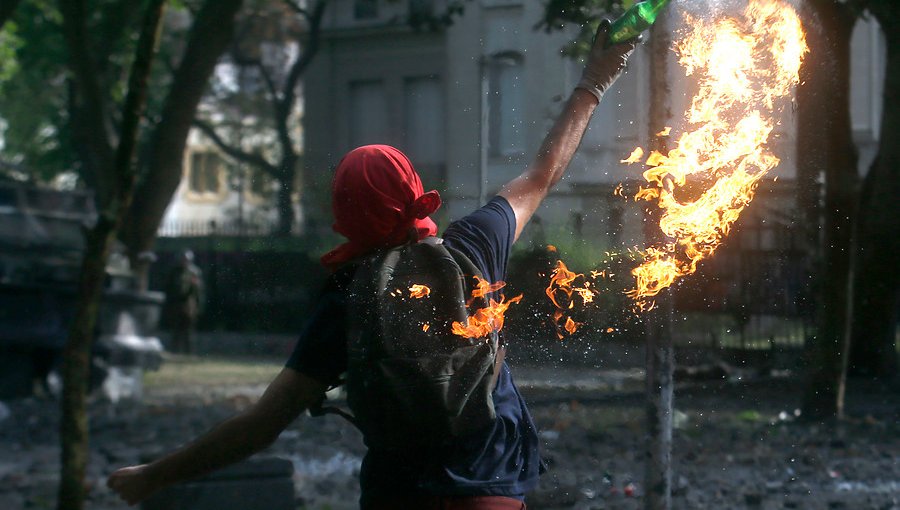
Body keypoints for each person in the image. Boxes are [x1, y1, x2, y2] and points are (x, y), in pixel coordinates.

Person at [108, 22, 636, 509]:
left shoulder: (346, 300)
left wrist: (154, 475)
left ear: (345, 219)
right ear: (413, 193)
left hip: (400, 493)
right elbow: (544, 171)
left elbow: (263, 424)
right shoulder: (474, 246)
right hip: (489, 486)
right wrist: (594, 78)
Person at [163, 250, 204, 354]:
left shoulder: (194, 272)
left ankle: (189, 352)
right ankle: (174, 350)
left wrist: (198, 305)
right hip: (176, 303)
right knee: (176, 329)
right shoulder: (174, 271)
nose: (184, 261)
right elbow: (169, 287)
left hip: (189, 304)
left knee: (188, 330)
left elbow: (198, 291)